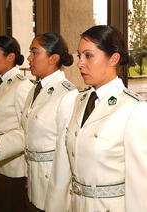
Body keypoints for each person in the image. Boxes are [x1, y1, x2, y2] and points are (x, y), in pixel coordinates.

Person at [65, 25, 147, 212]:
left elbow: (140, 187)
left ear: (114, 58)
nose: (80, 63)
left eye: (88, 55)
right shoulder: (81, 99)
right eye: (80, 56)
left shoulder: (133, 109)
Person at [21, 32, 78, 212]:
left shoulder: (67, 94)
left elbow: (68, 153)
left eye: (34, 52)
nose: (29, 58)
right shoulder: (35, 88)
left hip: (53, 186)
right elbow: (27, 132)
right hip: (34, 181)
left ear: (53, 58)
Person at [0, 35, 33, 212]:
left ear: (10, 57)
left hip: (16, 165)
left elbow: (27, 129)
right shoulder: (0, 82)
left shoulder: (22, 86)